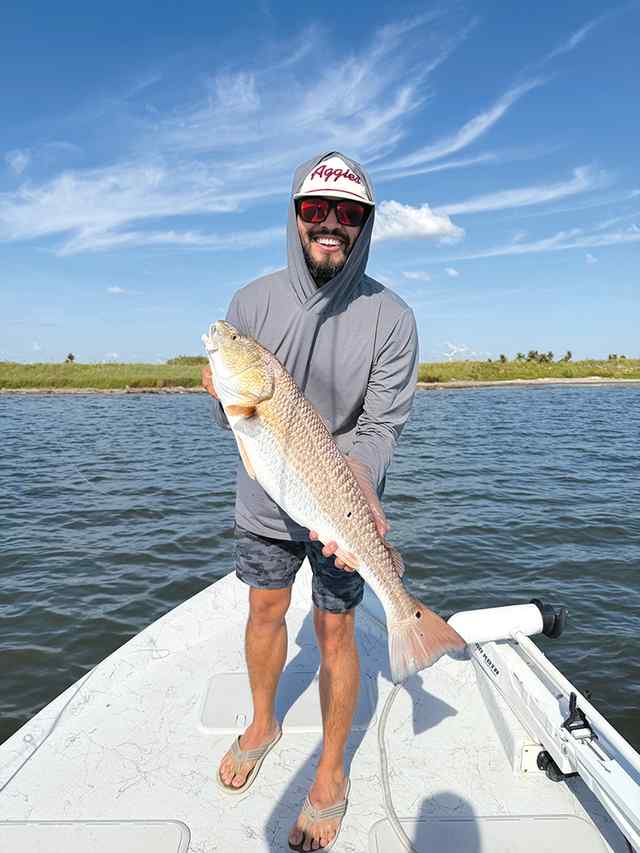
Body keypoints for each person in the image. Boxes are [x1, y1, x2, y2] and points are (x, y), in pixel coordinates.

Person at [202, 151, 418, 851]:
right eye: (315, 210)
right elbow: (240, 416)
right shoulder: (251, 303)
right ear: (294, 215)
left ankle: (331, 770)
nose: (330, 224)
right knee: (264, 607)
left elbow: (380, 426)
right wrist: (223, 395)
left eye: (348, 214)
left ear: (365, 224)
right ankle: (263, 722)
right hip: (266, 496)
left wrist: (355, 495)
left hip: (344, 503)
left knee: (335, 632)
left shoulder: (392, 316)